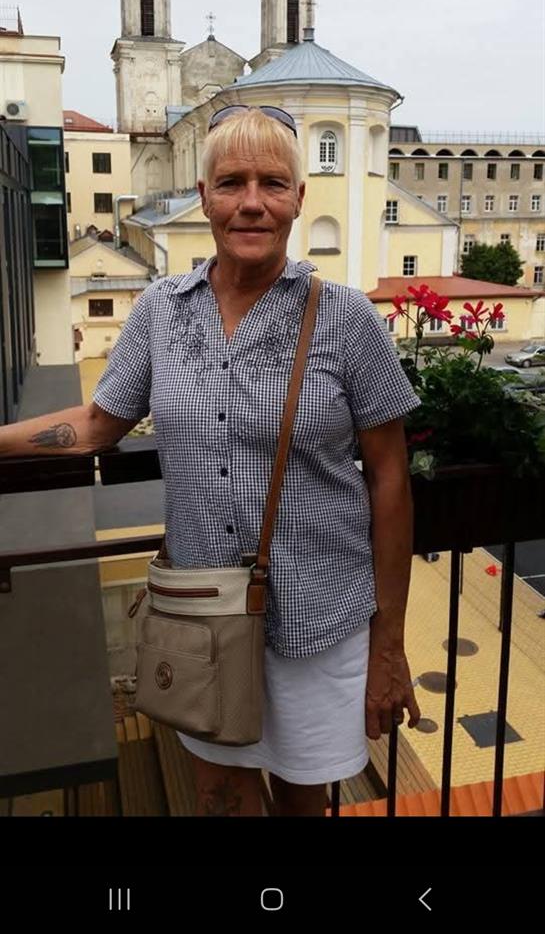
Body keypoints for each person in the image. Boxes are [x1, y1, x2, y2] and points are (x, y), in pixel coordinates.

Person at [0, 105, 422, 817]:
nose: (251, 202)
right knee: (219, 795)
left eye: (272, 183)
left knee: (301, 800)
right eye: (230, 182)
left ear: (297, 199)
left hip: (319, 619)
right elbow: (100, 424)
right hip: (206, 619)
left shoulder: (347, 320)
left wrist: (389, 645)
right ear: (203, 198)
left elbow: (389, 481)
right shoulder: (161, 311)